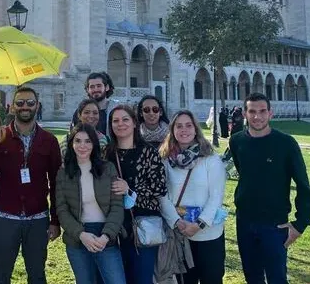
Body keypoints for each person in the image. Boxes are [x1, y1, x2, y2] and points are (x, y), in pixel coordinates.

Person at [0, 86, 62, 284]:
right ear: (12, 107)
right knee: (1, 274)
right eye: (20, 103)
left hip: (37, 217)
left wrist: (55, 220)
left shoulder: (48, 140)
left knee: (37, 275)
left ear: (37, 106)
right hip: (5, 217)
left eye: (30, 103)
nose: (25, 107)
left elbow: (56, 182)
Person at [230, 93, 310, 284]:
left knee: (277, 278)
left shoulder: (286, 144)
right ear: (245, 114)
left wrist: (300, 223)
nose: (257, 116)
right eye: (252, 111)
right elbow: (244, 172)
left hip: (274, 225)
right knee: (252, 277)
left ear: (270, 114)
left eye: (262, 111)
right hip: (244, 221)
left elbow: (302, 184)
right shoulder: (237, 141)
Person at [159, 110, 227, 284]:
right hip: (180, 234)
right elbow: (162, 195)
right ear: (172, 130)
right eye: (179, 126)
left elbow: (216, 197)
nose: (184, 130)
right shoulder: (166, 160)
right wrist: (177, 222)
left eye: (188, 125)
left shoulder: (210, 160)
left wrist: (199, 224)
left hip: (208, 234)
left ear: (196, 129)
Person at [56, 123, 126, 284]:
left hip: (105, 235)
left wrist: (106, 236)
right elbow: (62, 209)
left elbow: (117, 206)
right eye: (78, 141)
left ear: (94, 144)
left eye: (87, 141)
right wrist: (81, 234)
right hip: (78, 237)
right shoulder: (64, 173)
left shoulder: (108, 168)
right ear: (71, 143)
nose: (82, 146)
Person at [106, 105, 167, 284]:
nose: (120, 124)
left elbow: (160, 188)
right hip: (114, 226)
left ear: (134, 123)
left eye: (125, 119)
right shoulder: (106, 154)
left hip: (143, 226)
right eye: (115, 120)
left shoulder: (148, 152)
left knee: (141, 278)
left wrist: (130, 189)